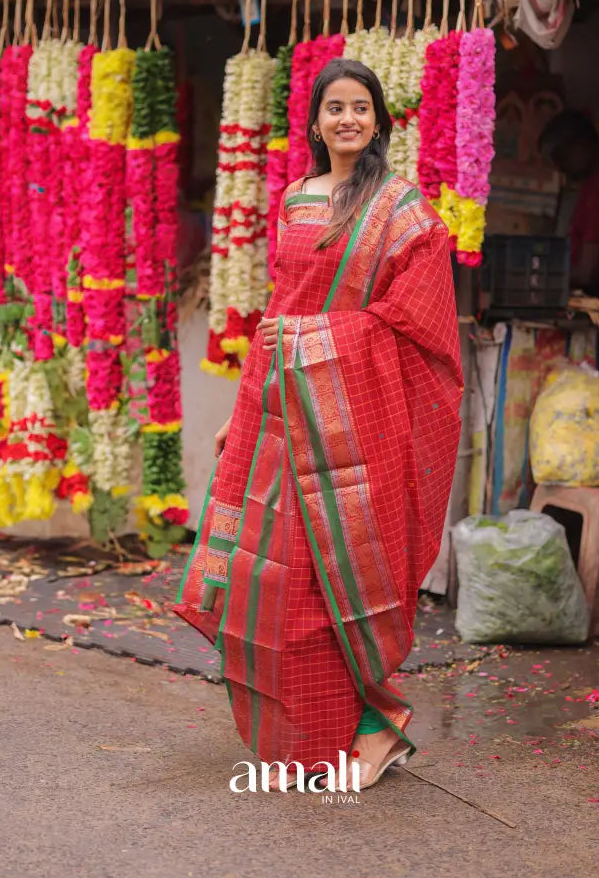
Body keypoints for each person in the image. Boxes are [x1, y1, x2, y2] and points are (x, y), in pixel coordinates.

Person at [173, 59, 463, 792]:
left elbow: (420, 320)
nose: (347, 119)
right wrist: (246, 410)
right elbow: (283, 308)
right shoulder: (297, 198)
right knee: (275, 581)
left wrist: (316, 346)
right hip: (284, 410)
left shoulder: (401, 209)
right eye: (334, 106)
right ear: (314, 121)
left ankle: (376, 727)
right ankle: (310, 737)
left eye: (360, 107)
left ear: (378, 121)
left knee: (342, 574)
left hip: (350, 418)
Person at [539, 110, 599, 296]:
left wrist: (542, 280)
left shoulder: (596, 190)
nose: (560, 166)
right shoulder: (589, 187)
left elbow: (586, 271)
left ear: (583, 145)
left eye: (562, 156)